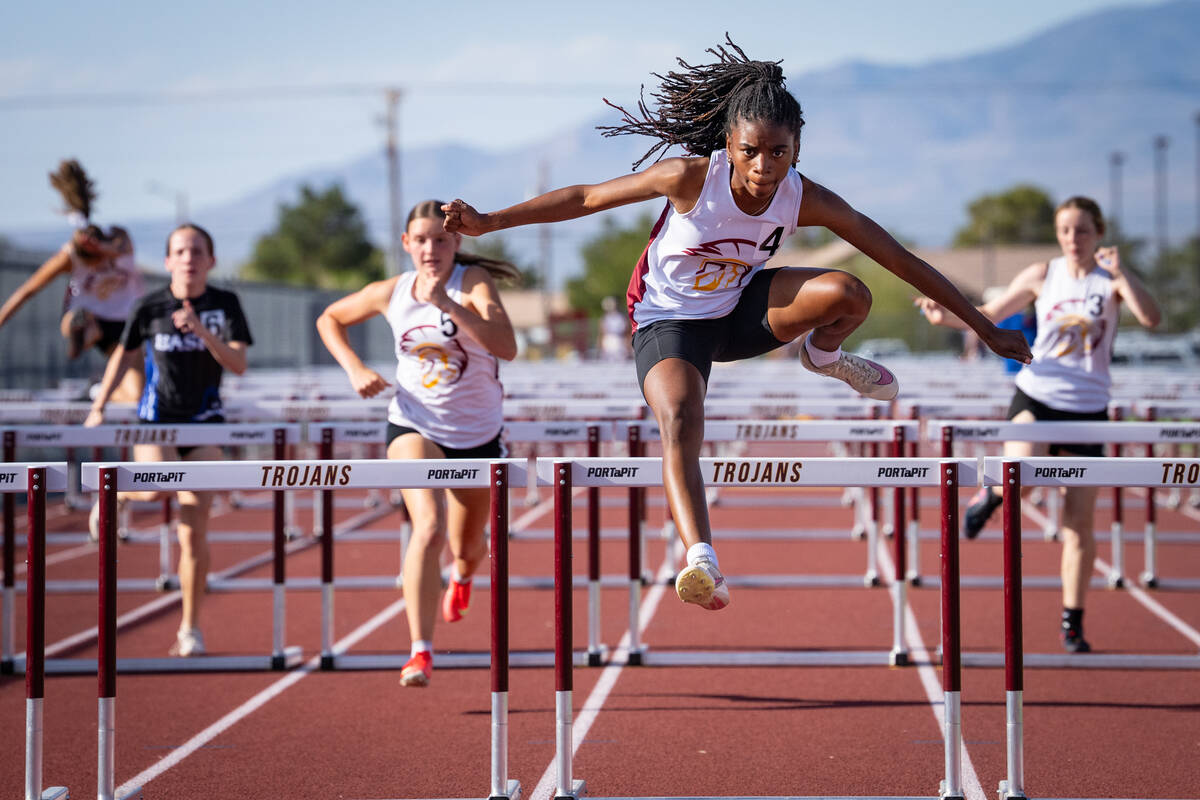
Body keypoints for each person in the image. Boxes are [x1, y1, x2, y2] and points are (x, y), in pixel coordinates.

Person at [442, 37, 1031, 612]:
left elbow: (900, 258)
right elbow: (588, 197)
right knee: (679, 417)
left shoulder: (803, 197)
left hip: (741, 311)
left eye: (778, 153)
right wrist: (490, 221)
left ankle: (824, 357)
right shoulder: (689, 179)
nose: (763, 167)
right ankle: (701, 557)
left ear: (796, 149)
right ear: (729, 142)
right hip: (668, 322)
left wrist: (984, 327)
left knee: (850, 292)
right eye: (751, 151)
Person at [916, 196, 1160, 652]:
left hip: (1089, 411)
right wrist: (945, 317)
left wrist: (1123, 273)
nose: (1073, 239)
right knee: (1020, 477)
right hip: (1038, 395)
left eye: (1083, 230)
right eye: (1066, 230)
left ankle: (1073, 620)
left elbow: (1151, 318)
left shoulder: (1111, 281)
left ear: (1099, 233)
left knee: (1078, 524)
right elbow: (991, 314)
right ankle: (991, 495)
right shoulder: (1043, 275)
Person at [316, 200, 519, 687]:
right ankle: (420, 651)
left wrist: (447, 305)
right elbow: (330, 318)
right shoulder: (392, 291)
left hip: (476, 436)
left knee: (467, 547)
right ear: (406, 244)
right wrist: (356, 369)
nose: (431, 249)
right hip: (412, 424)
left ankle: (463, 575)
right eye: (421, 240)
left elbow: (507, 347)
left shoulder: (471, 284)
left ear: (457, 244)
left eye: (442, 240)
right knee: (426, 525)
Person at [85, 224, 252, 657]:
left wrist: (201, 331)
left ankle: (190, 628)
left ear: (211, 260)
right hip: (156, 420)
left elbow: (238, 364)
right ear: (167, 261)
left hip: (205, 424)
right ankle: (118, 494)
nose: (189, 258)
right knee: (154, 486)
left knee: (193, 534)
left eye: (198, 250)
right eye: (180, 250)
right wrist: (99, 404)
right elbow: (124, 355)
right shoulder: (149, 304)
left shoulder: (225, 303)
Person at [0, 160, 144, 402]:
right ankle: (83, 334)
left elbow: (119, 248)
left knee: (136, 394)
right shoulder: (70, 255)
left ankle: (95, 391)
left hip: (126, 324)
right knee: (79, 319)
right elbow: (28, 290)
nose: (96, 266)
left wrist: (103, 249)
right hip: (90, 317)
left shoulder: (120, 239)